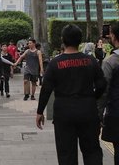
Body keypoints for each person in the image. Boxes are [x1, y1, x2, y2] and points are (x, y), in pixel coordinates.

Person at [36, 24, 106, 165]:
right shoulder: (91, 61)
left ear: (63, 40)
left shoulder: (55, 63)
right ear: (80, 40)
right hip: (88, 110)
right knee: (92, 151)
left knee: (66, 153)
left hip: (64, 112)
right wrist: (92, 98)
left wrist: (39, 111)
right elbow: (102, 85)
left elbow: (46, 89)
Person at [98, 24, 119, 164]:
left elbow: (103, 92)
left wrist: (98, 115)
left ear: (114, 36)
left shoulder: (111, 61)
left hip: (116, 113)